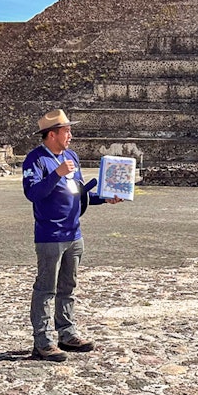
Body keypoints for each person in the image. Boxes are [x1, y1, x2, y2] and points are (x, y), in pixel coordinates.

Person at [22, 109, 121, 362]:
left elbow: (79, 193)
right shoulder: (36, 159)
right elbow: (33, 193)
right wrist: (56, 174)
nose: (71, 135)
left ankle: (67, 333)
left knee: (68, 286)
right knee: (46, 289)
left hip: (74, 233)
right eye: (66, 131)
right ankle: (43, 342)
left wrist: (105, 198)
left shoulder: (71, 157)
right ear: (52, 134)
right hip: (50, 235)